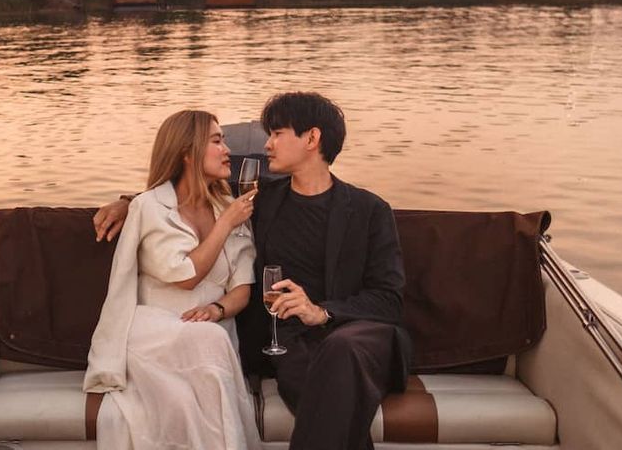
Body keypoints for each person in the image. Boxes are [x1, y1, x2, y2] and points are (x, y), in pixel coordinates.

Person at [94, 93, 410, 450]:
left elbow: (388, 300)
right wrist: (128, 203)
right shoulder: (260, 200)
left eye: (277, 134)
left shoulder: (370, 210)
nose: (267, 144)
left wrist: (320, 312)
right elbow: (187, 182)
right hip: (289, 342)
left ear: (312, 138)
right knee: (314, 379)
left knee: (340, 350)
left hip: (358, 336)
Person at [84, 110, 262, 450]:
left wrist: (218, 309)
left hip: (212, 332)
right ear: (187, 153)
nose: (228, 150)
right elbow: (185, 277)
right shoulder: (150, 207)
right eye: (217, 141)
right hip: (154, 330)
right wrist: (224, 224)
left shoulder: (229, 206)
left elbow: (242, 288)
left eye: (224, 140)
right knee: (207, 347)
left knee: (210, 343)